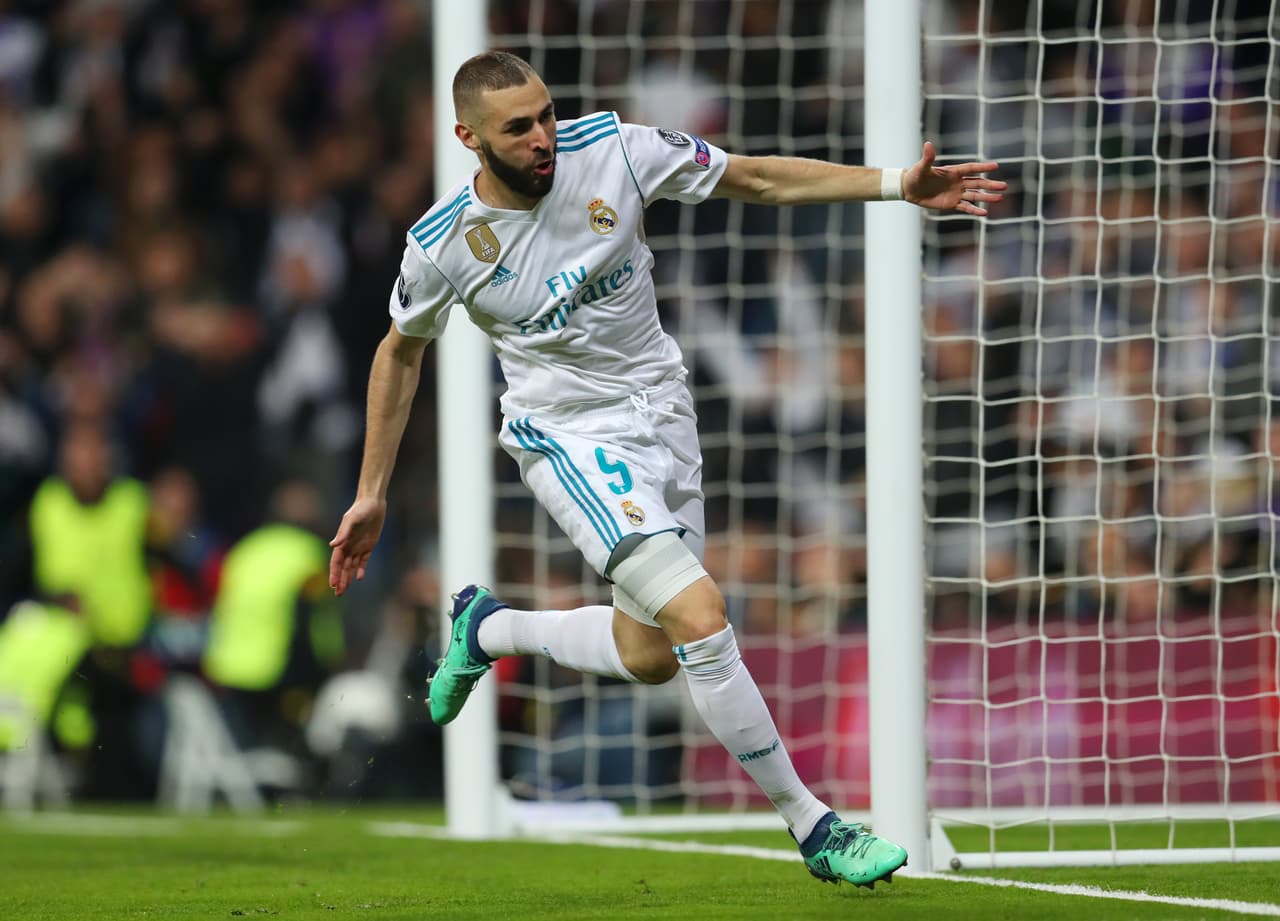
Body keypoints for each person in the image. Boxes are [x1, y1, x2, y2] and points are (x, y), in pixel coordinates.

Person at [329, 51, 1004, 888]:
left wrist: (897, 185)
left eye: (547, 114)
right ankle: (815, 825)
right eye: (519, 127)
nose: (544, 137)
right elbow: (399, 354)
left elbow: (755, 179)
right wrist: (371, 493)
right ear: (470, 138)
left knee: (647, 651)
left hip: (663, 415)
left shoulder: (614, 150)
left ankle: (487, 629)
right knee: (699, 613)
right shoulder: (442, 247)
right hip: (568, 439)